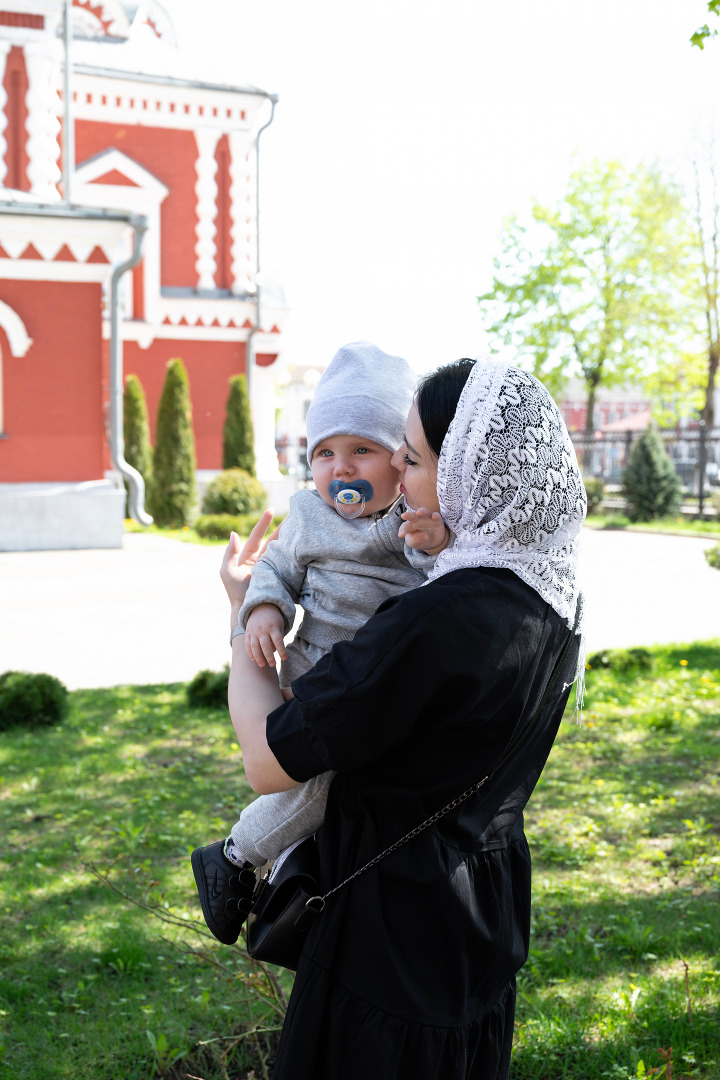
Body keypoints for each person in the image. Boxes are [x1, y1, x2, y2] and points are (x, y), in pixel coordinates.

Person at [214, 357, 586, 1080]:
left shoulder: (434, 620)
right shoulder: (549, 595)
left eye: (411, 460)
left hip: (389, 943)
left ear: (468, 472)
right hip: (483, 915)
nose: (401, 481)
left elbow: (267, 760)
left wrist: (240, 618)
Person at [191, 342, 449, 945]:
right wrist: (260, 610)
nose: (342, 468)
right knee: (327, 785)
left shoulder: (412, 519)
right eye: (325, 453)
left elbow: (445, 580)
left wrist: (435, 538)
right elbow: (275, 569)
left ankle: (279, 865)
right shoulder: (308, 515)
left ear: (401, 460)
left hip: (373, 682)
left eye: (363, 449)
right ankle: (235, 855)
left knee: (332, 795)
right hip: (315, 679)